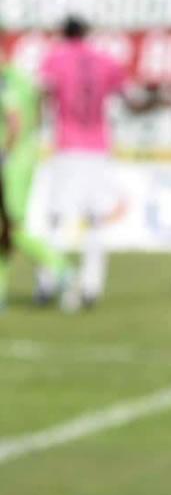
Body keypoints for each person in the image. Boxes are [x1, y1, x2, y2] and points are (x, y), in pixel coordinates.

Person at [39, 16, 141, 309]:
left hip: (68, 147)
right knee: (96, 221)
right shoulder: (106, 61)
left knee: (57, 219)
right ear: (87, 33)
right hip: (98, 149)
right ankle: (91, 287)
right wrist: (158, 101)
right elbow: (130, 101)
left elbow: (45, 95)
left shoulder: (54, 59)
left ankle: (49, 282)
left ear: (63, 32)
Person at [0, 56, 72, 310]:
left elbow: (13, 119)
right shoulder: (22, 77)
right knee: (5, 230)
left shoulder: (6, 80)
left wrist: (6, 153)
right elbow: (39, 110)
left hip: (12, 161)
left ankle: (61, 267)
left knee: (12, 228)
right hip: (26, 155)